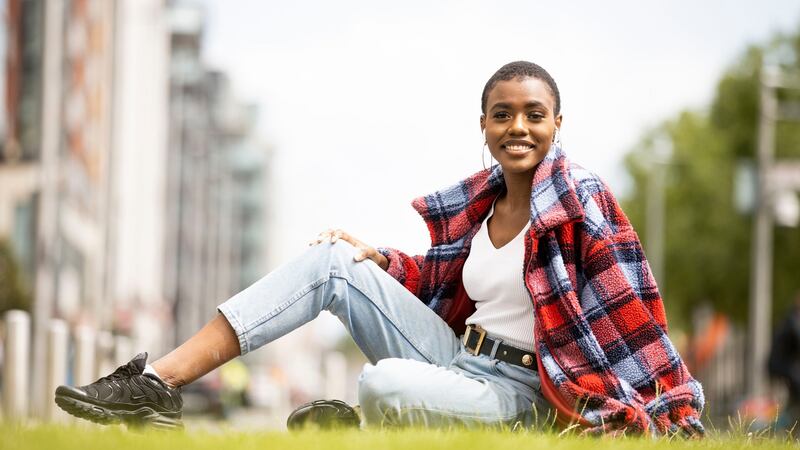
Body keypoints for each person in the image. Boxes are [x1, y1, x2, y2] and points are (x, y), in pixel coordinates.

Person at [54, 61, 704, 435]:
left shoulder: (579, 201)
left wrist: (659, 401)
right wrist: (383, 261)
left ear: (558, 125)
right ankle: (153, 385)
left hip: (522, 394)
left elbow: (632, 312)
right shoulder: (482, 205)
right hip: (457, 357)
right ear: (483, 125)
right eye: (503, 114)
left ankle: (368, 418)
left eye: (534, 114)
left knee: (381, 382)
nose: (518, 127)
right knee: (333, 260)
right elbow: (442, 283)